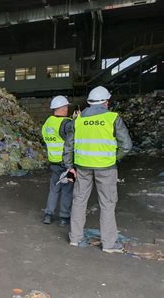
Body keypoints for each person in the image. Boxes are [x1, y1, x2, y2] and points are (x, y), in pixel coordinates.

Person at [63, 86, 132, 253]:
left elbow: (68, 147)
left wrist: (69, 167)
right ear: (106, 102)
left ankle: (75, 238)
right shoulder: (113, 118)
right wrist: (113, 158)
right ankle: (109, 244)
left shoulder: (78, 120)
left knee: (79, 201)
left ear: (89, 102)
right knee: (107, 203)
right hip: (106, 168)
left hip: (82, 167)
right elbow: (127, 146)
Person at [41, 95, 74, 226]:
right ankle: (64, 218)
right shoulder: (66, 123)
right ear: (63, 108)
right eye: (66, 107)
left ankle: (48, 215)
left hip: (53, 162)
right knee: (67, 190)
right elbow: (72, 140)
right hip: (66, 163)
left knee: (54, 189)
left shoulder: (47, 123)